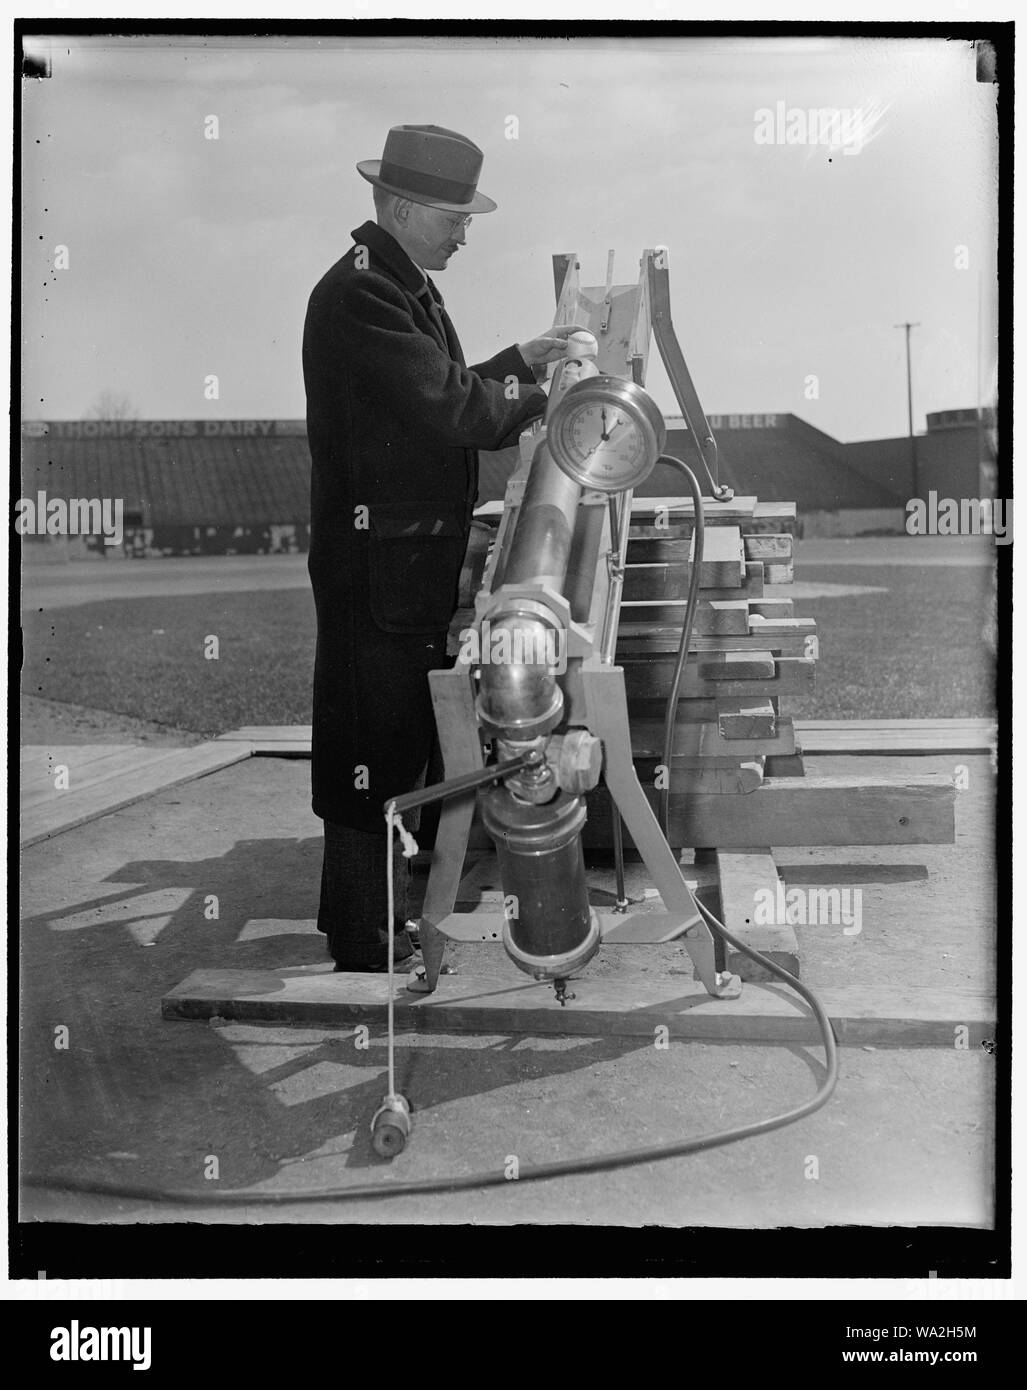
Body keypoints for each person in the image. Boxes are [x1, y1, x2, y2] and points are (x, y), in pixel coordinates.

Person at [303, 123, 577, 972]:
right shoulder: (363, 295)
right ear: (402, 206)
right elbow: (456, 408)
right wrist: (546, 392)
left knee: (394, 739)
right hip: (378, 566)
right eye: (454, 214)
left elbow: (440, 389)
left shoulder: (396, 282)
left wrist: (518, 360)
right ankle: (364, 941)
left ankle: (375, 922)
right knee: (370, 745)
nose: (465, 229)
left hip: (402, 561)